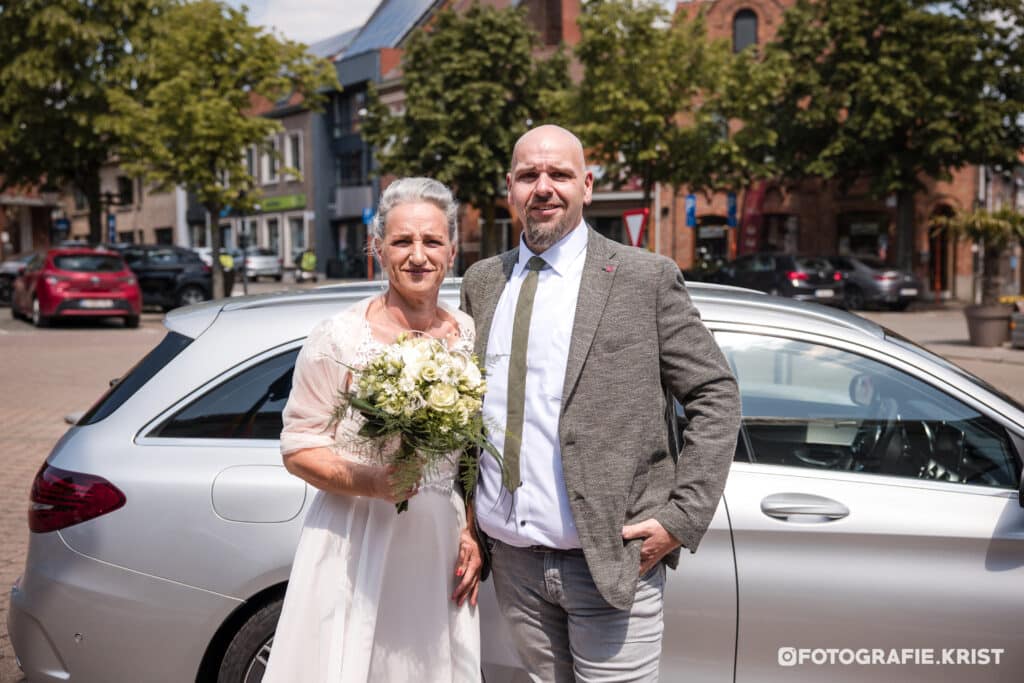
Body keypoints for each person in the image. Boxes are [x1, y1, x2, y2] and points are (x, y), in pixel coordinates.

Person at [460, 125, 741, 682]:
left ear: (586, 186)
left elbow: (715, 392)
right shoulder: (482, 282)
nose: (544, 188)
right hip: (512, 562)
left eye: (559, 174)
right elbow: (471, 412)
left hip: (612, 562)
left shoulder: (644, 278)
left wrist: (681, 517)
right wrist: (468, 522)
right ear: (510, 188)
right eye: (528, 175)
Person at [263, 177, 482, 682]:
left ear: (452, 250)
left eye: (431, 241)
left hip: (438, 545)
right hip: (358, 538)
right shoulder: (339, 336)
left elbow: (470, 449)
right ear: (377, 247)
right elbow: (298, 448)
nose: (418, 256)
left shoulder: (466, 332)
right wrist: (373, 483)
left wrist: (469, 530)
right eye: (403, 241)